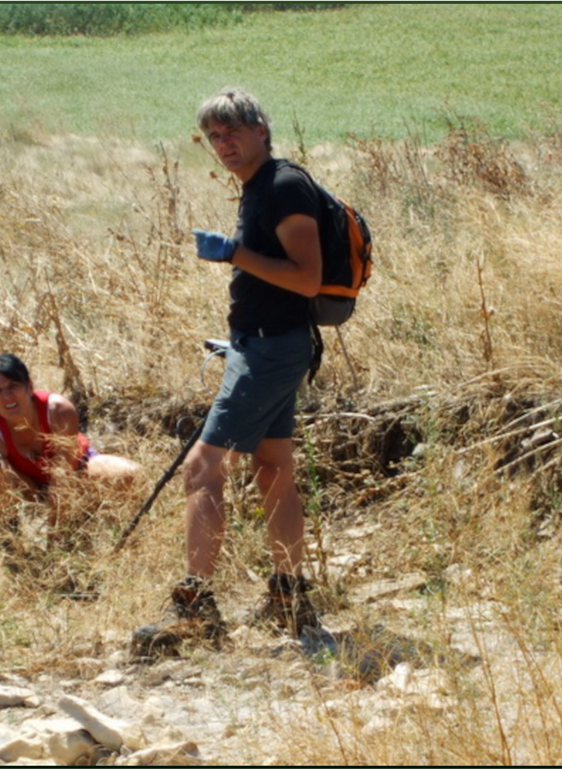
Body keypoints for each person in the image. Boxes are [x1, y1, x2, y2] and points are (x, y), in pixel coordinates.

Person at [132, 87, 325, 657]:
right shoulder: (260, 187)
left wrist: (234, 255)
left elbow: (308, 279)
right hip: (264, 345)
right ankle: (290, 596)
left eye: (233, 131)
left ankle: (194, 610)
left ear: (262, 128)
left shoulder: (284, 186)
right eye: (214, 136)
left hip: (270, 349)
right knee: (273, 465)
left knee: (203, 465)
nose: (224, 144)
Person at [0, 353, 139, 560]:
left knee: (129, 474)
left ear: (29, 386)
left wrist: (54, 550)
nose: (7, 397)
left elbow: (62, 479)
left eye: (13, 386)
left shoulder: (58, 410)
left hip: (74, 474)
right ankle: (11, 546)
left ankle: (119, 533)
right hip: (26, 484)